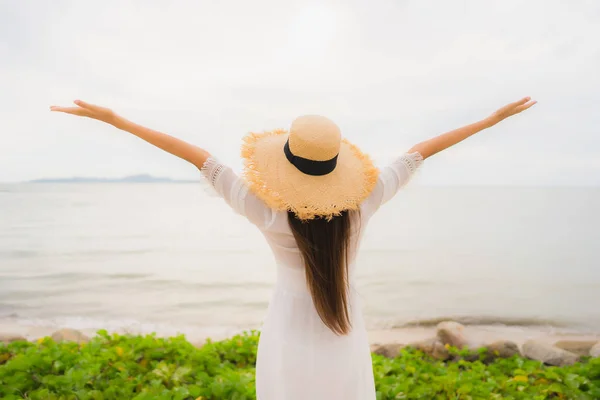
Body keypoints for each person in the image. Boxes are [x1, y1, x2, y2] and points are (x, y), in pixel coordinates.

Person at [50, 96, 536, 399]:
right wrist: (490, 119)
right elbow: (421, 150)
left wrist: (117, 120)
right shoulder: (363, 203)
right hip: (341, 320)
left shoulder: (265, 210)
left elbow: (196, 155)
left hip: (288, 321)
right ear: (334, 166)